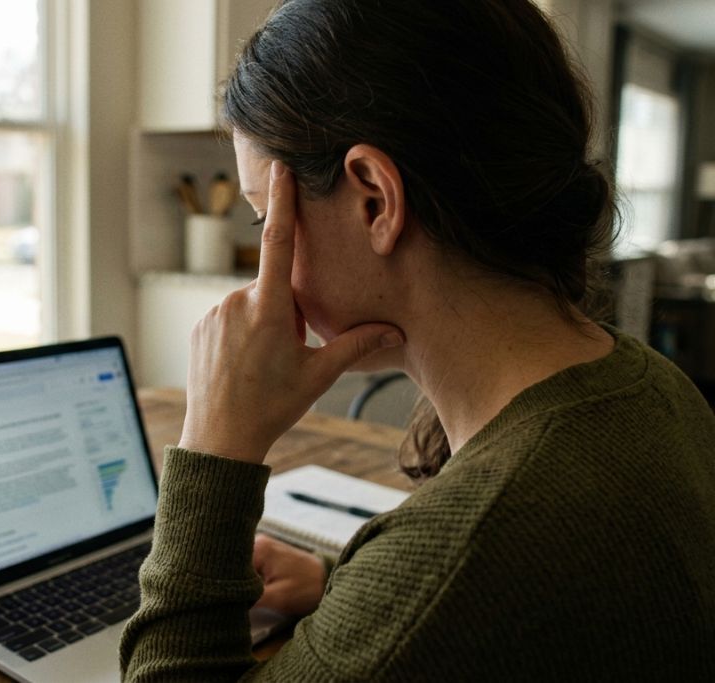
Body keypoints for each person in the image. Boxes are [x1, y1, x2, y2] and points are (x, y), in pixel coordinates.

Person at [120, 0, 715, 679]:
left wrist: (214, 444)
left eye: (266, 220)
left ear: (374, 198)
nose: (267, 268)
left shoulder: (473, 547)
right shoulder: (653, 386)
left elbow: (468, 574)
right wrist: (349, 587)